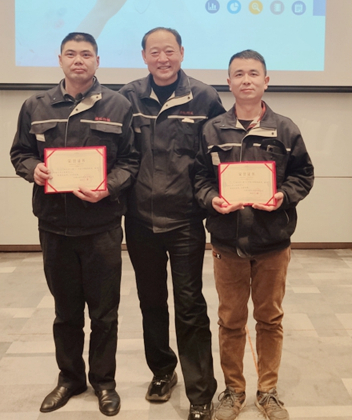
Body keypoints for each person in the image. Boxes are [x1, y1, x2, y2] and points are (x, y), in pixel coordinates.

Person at [10, 32, 138, 417]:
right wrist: (34, 169)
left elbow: (131, 160)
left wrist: (107, 187)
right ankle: (69, 379)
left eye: (86, 54)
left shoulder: (118, 105)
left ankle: (104, 382)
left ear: (98, 60)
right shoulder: (35, 106)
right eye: (71, 54)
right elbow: (20, 153)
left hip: (101, 225)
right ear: (60, 60)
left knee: (104, 313)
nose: (78, 60)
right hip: (54, 225)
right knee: (65, 312)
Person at [193, 50, 314, 420]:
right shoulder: (212, 130)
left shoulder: (286, 129)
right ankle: (233, 391)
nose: (246, 80)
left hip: (272, 242)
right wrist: (212, 200)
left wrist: (283, 197)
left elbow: (303, 175)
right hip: (227, 243)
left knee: (269, 318)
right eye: (239, 74)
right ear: (228, 82)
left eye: (253, 74)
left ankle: (268, 390)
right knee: (230, 320)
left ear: (266, 81)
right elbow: (199, 178)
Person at [119, 27, 224, 420]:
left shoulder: (205, 97)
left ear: (181, 52)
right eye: (154, 52)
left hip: (185, 220)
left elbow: (219, 154)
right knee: (151, 301)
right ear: (143, 56)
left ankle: (200, 393)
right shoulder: (127, 97)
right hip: (139, 219)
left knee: (190, 304)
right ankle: (163, 371)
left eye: (169, 51)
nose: (162, 58)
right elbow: (118, 154)